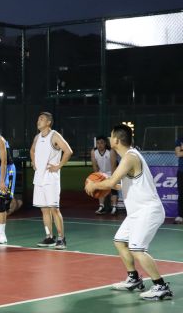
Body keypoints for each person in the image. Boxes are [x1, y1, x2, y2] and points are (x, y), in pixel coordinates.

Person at [85, 124, 173, 300]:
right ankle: (134, 279)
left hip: (148, 210)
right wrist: (105, 186)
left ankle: (161, 286)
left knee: (137, 249)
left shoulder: (130, 157)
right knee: (120, 242)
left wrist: (95, 185)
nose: (109, 139)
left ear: (117, 140)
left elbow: (111, 182)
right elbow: (122, 184)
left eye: (111, 136)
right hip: (137, 213)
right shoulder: (128, 156)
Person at [30, 112, 73, 249]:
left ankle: (61, 239)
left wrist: (58, 166)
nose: (38, 121)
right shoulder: (37, 137)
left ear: (48, 122)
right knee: (44, 209)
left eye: (41, 119)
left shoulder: (54, 135)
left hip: (50, 178)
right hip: (39, 177)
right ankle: (49, 237)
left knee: (54, 209)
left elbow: (68, 151)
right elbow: (32, 150)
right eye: (38, 119)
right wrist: (33, 162)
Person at [91, 136, 118, 215]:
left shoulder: (111, 151)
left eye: (101, 143)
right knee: (100, 189)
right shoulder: (93, 152)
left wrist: (113, 178)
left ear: (105, 143)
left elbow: (113, 166)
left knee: (113, 189)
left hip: (112, 172)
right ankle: (101, 207)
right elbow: (94, 166)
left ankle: (114, 208)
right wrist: (97, 177)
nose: (99, 145)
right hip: (101, 173)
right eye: (98, 143)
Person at [174, 136, 183, 224]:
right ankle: (180, 216)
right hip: (181, 171)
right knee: (181, 194)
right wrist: (180, 152)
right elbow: (178, 154)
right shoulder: (180, 140)